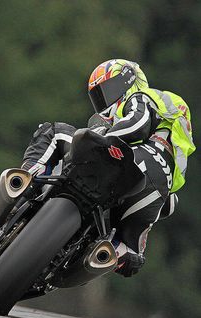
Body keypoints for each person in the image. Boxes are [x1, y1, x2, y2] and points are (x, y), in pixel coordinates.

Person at [21, 59, 196, 277]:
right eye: (99, 96)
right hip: (157, 193)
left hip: (136, 161)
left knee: (54, 131)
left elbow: (137, 124)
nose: (105, 99)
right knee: (128, 255)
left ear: (132, 81)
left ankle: (25, 180)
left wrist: (99, 137)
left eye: (110, 89)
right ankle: (107, 251)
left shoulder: (144, 96)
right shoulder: (173, 135)